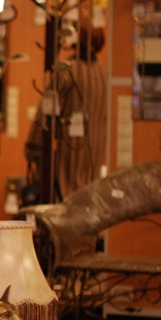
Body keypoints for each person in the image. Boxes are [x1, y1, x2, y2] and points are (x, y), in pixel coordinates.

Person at [25, 27, 107, 201]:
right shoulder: (103, 75)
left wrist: (32, 148)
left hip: (66, 165)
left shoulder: (66, 70)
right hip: (91, 168)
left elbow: (46, 114)